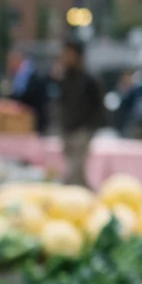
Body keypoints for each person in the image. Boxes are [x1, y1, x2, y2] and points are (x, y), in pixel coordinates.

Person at [59, 40, 105, 186]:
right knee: (71, 168)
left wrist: (91, 127)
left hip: (82, 130)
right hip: (68, 129)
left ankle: (77, 199)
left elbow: (98, 107)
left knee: (76, 169)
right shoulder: (65, 78)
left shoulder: (89, 80)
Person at [9, 50, 49, 133]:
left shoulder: (28, 76)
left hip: (35, 119)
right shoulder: (23, 75)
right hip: (32, 118)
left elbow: (26, 96)